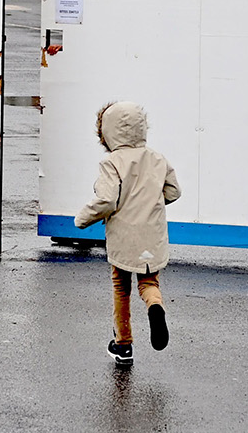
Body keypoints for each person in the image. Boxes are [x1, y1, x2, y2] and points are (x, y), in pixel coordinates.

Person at [74, 101, 182, 366]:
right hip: (151, 235)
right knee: (149, 283)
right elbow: (173, 192)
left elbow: (107, 200)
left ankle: (123, 345)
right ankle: (155, 307)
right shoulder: (157, 158)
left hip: (124, 236)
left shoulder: (111, 162)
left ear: (107, 132)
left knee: (121, 286)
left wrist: (82, 219)